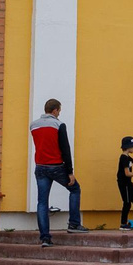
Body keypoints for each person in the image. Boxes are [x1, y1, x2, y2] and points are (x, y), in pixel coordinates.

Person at [28, 99, 83, 247]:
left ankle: (45, 238)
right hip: (56, 166)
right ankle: (74, 224)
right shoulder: (59, 125)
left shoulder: (33, 125)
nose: (59, 114)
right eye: (59, 111)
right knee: (75, 189)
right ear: (54, 111)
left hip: (40, 167)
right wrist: (70, 172)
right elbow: (65, 149)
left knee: (42, 202)